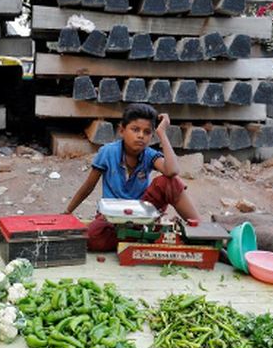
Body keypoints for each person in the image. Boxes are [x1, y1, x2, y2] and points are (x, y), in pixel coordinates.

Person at [64, 103, 201, 252]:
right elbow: (88, 187)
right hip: (112, 218)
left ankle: (201, 232)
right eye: (135, 129)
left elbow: (172, 171)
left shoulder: (149, 155)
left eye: (147, 132)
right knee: (92, 237)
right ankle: (141, 237)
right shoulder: (108, 152)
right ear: (122, 130)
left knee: (169, 182)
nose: (141, 135)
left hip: (142, 215)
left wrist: (162, 133)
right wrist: (67, 212)